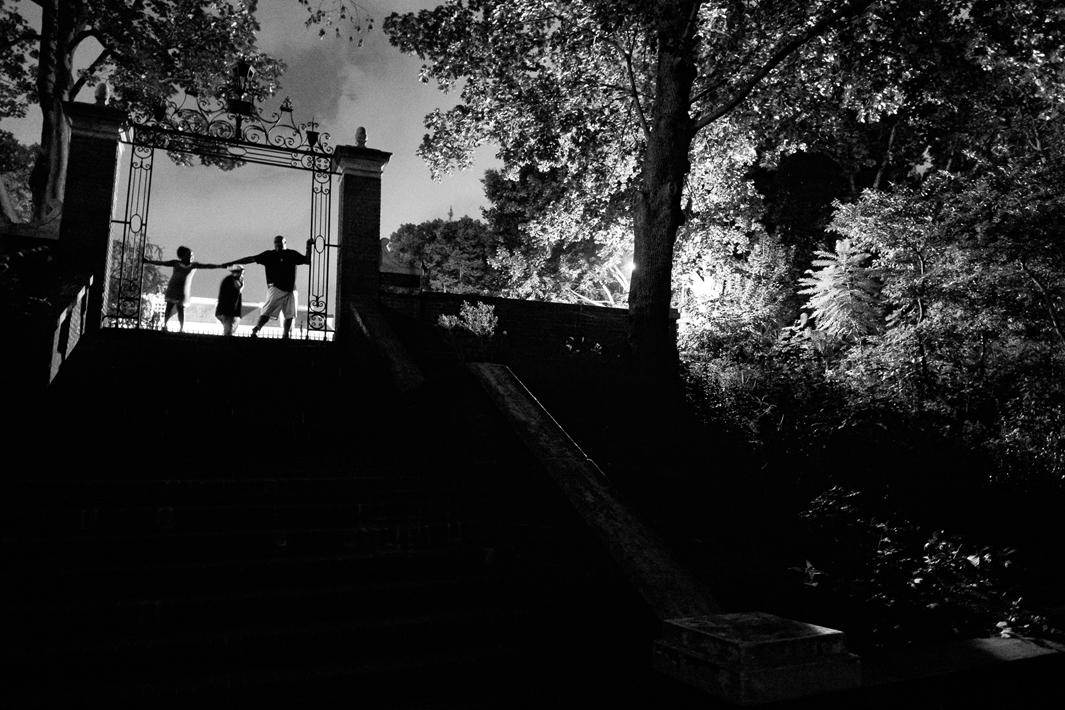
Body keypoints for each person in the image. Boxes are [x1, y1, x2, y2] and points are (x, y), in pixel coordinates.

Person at [225, 235, 312, 339]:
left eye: (280, 243)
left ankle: (285, 335)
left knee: (290, 315)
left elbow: (307, 260)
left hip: (291, 289)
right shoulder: (269, 255)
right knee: (267, 311)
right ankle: (257, 329)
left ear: (285, 243)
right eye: (276, 243)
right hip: (275, 288)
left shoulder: (291, 254)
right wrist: (235, 261)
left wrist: (308, 246)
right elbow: (251, 258)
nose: (278, 245)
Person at [143, 246, 225, 332]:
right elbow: (162, 263)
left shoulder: (194, 265)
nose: (191, 257)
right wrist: (148, 261)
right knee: (169, 307)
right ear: (183, 255)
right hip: (173, 288)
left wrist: (220, 266)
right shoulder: (176, 263)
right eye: (189, 255)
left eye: (192, 255)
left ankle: (181, 328)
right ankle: (165, 325)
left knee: (180, 309)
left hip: (183, 291)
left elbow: (208, 266)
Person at [215, 264, 245, 336]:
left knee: (229, 331)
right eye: (240, 272)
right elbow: (227, 297)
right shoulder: (229, 280)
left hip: (231, 312)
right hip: (228, 312)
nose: (241, 274)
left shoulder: (236, 280)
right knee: (228, 332)